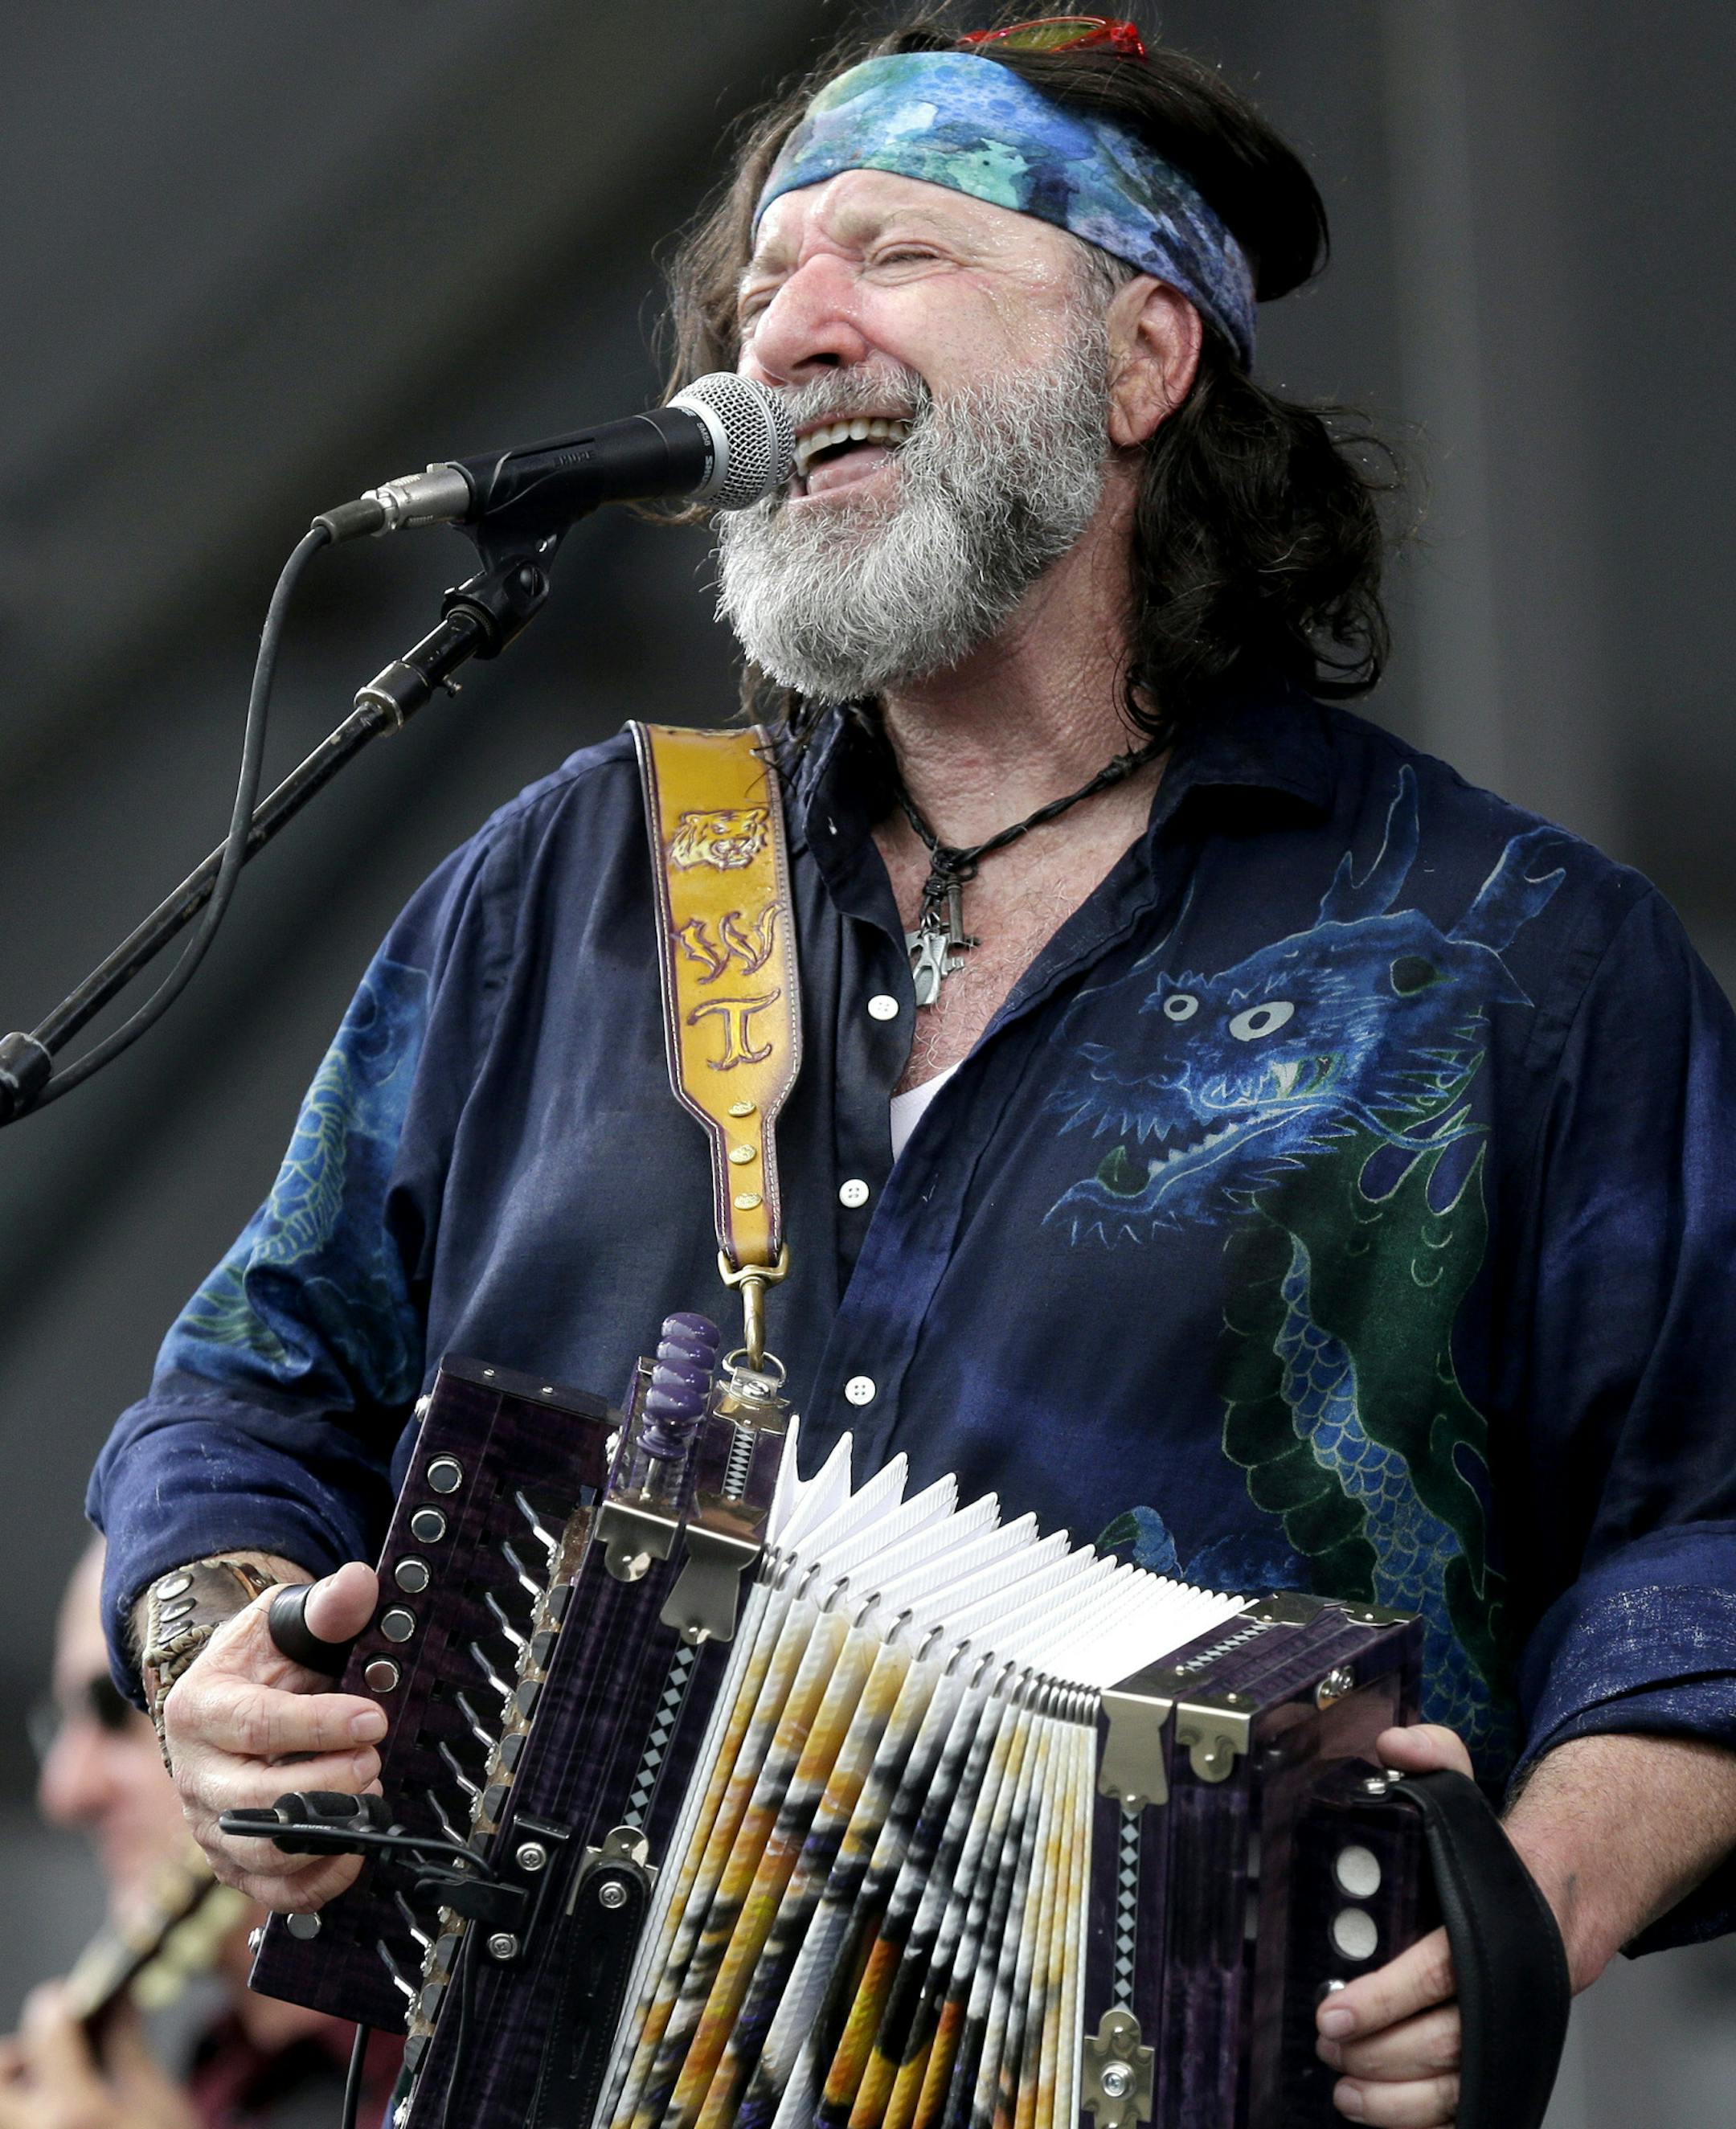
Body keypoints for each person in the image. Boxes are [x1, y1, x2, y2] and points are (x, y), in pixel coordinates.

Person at [86, 16, 1736, 2127]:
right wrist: (214, 1661)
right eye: (758, 293)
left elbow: (1707, 1532)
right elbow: (245, 1389)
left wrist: (1534, 1898)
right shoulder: (570, 884)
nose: (790, 333)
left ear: (1142, 362)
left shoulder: (1513, 961)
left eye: (893, 254)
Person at [1, 1541, 399, 2129]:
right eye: (58, 1724)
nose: (63, 1791)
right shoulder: (211, 2083)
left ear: (289, 1698)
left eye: (114, 1706)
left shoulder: (474, 2044)